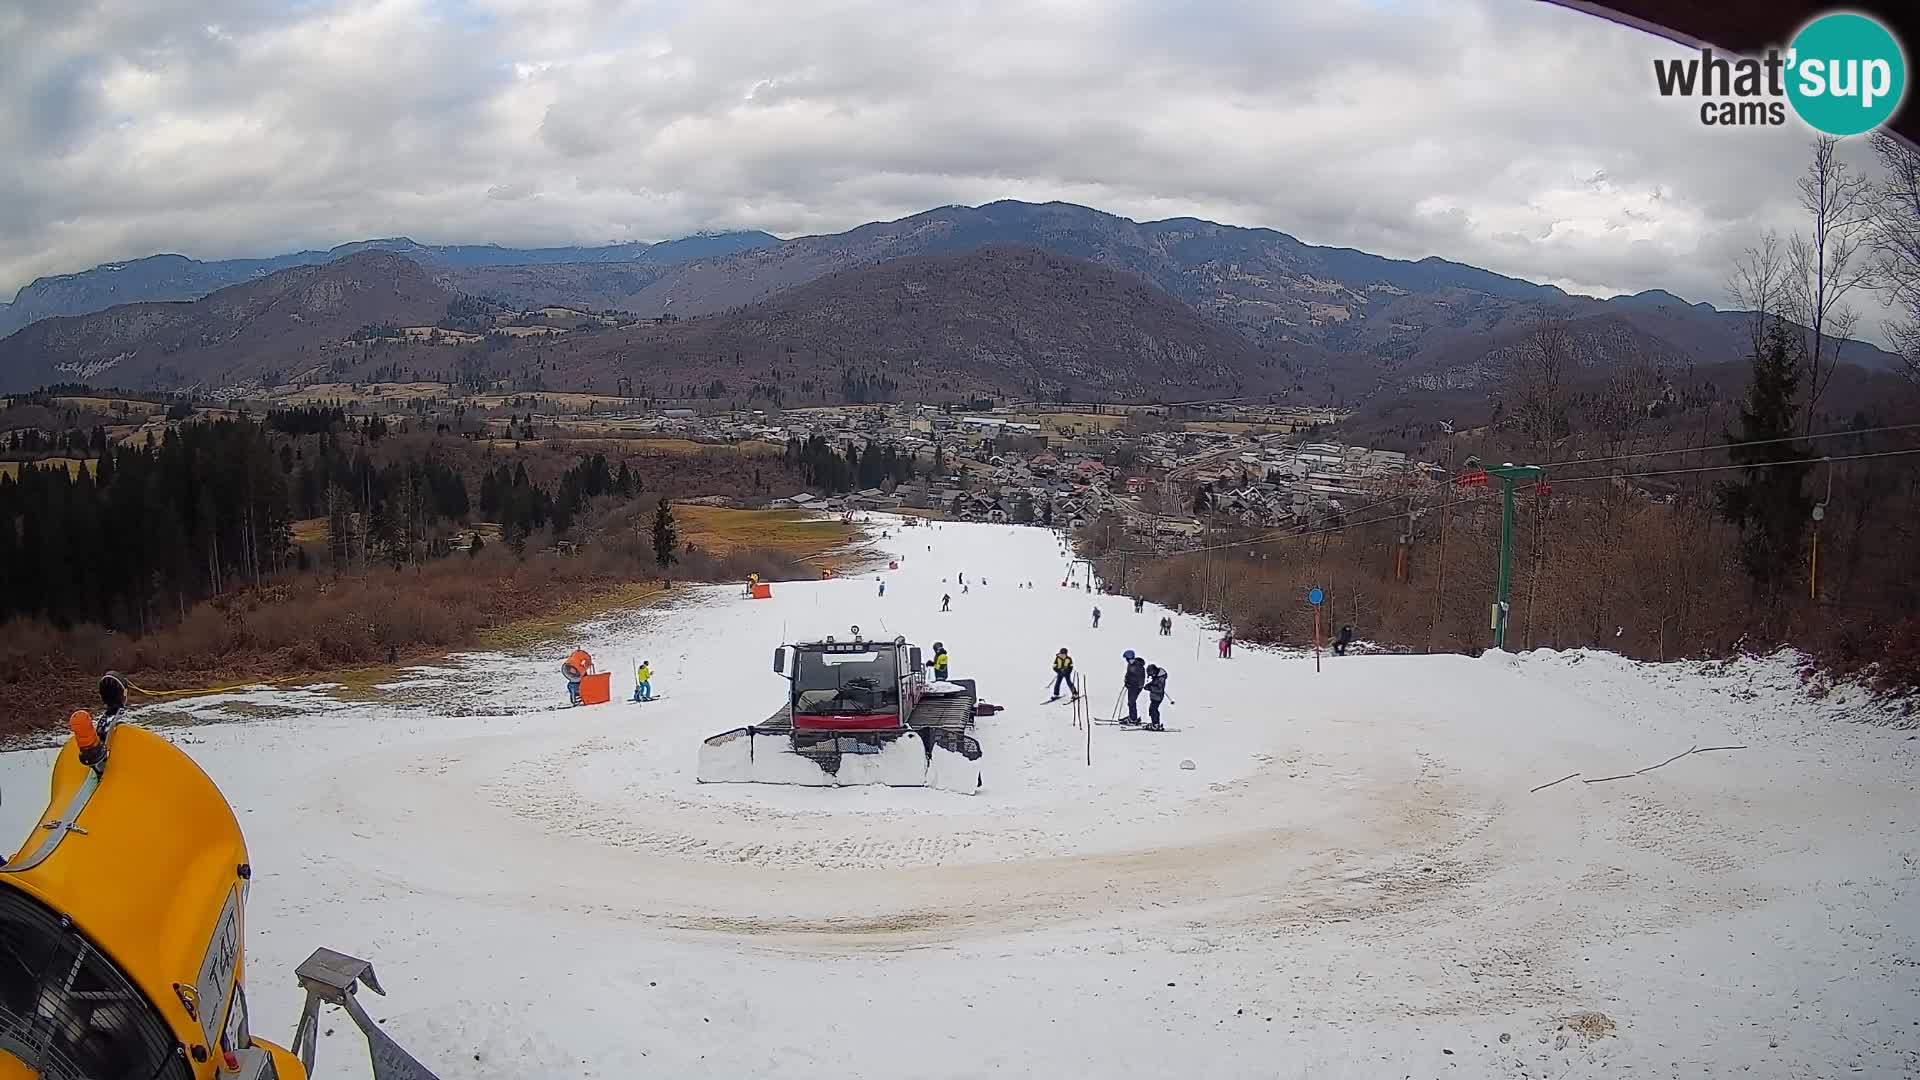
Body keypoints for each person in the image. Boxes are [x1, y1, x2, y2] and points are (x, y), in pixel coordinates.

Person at [1122, 652, 1147, 724]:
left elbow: (1139, 679)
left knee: (1131, 702)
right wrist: (1126, 681)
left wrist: (1132, 684)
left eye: (1127, 659)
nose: (1126, 660)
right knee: (1130, 702)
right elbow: (1128, 674)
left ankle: (1133, 719)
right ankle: (1132, 716)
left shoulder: (1138, 666)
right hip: (1131, 686)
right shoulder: (1130, 665)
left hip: (1136, 687)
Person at [1144, 663, 1168, 730]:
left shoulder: (1161, 679)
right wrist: (1148, 685)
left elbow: (1160, 689)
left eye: (1151, 674)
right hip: (1154, 696)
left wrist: (1150, 688)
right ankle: (1154, 723)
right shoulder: (1156, 677)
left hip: (1158, 697)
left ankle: (1156, 724)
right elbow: (1153, 683)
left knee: (1153, 709)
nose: (1151, 676)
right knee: (1152, 709)